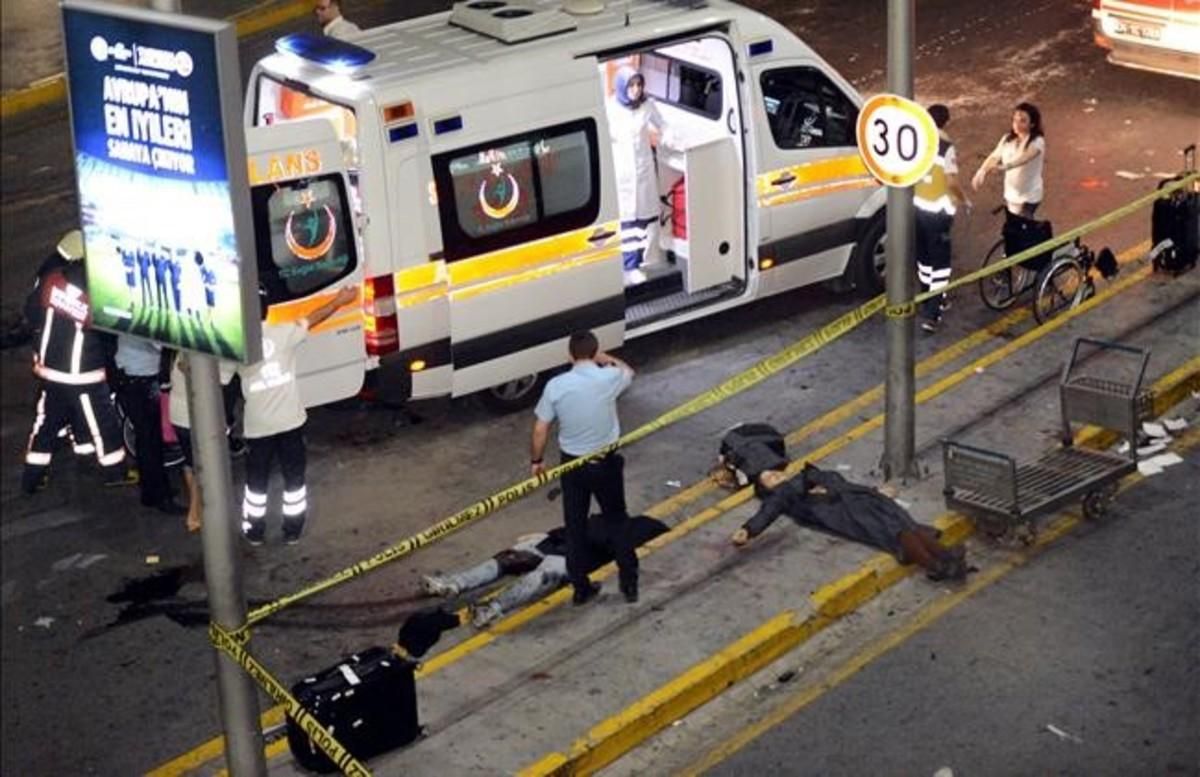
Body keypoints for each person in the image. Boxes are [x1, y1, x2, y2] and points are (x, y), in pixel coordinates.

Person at [716, 424, 968, 582]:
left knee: (903, 522)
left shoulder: (808, 475)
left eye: (774, 473)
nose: (776, 477)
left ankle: (945, 556)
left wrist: (873, 490)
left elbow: (842, 483)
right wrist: (749, 530)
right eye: (769, 480)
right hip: (846, 512)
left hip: (860, 499)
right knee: (894, 531)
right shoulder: (784, 494)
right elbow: (768, 511)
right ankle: (936, 564)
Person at [238, 285, 358, 545]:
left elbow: (217, 377)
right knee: (294, 479)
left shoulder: (237, 346)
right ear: (266, 310)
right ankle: (293, 530)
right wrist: (340, 299)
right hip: (290, 422)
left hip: (258, 427)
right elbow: (315, 317)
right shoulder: (283, 333)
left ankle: (254, 531)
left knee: (256, 483)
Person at [530, 330, 639, 604]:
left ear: (569, 354)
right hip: (607, 463)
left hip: (572, 466)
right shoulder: (609, 377)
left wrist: (537, 461)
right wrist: (604, 358)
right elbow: (629, 371)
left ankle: (580, 588)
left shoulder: (555, 386)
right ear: (594, 351)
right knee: (617, 521)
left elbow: (541, 429)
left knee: (575, 526)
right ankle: (629, 584)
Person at [21, 230, 133, 494]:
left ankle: (32, 477)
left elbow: (32, 312)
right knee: (102, 421)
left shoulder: (51, 281)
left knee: (47, 422)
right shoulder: (93, 292)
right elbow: (107, 327)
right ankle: (115, 471)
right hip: (82, 373)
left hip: (50, 370)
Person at [423, 514, 669, 628]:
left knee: (526, 570)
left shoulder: (619, 527)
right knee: (511, 561)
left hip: (569, 554)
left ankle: (484, 602)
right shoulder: (621, 528)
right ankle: (464, 590)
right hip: (561, 545)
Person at [607, 66, 669, 284]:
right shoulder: (610, 108)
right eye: (631, 85)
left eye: (638, 84)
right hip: (622, 173)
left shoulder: (647, 106)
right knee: (626, 224)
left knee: (643, 220)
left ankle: (639, 262)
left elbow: (665, 126)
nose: (635, 89)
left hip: (643, 172)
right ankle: (628, 265)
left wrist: (667, 140)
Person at [913, 104, 970, 334]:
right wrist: (964, 200)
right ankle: (932, 313)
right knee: (941, 265)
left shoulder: (916, 142)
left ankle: (926, 297)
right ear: (946, 122)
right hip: (939, 212)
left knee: (924, 258)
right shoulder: (946, 148)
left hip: (918, 208)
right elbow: (952, 182)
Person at [168, 351, 238, 532]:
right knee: (204, 467)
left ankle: (196, 509)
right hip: (198, 418)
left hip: (176, 414)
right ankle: (194, 514)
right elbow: (221, 382)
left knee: (190, 463)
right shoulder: (224, 357)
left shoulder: (183, 348)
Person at [114, 334, 184, 514]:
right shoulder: (144, 318)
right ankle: (161, 496)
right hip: (141, 378)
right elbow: (159, 344)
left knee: (145, 440)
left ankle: (150, 492)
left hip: (130, 376)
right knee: (151, 442)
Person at [971, 102, 1046, 221]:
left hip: (1030, 195)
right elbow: (994, 156)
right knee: (1014, 224)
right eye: (1015, 120)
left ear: (1032, 124)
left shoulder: (1037, 141)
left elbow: (1024, 159)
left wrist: (1004, 167)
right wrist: (982, 171)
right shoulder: (1007, 139)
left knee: (1023, 226)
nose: (1016, 124)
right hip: (1012, 194)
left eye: (1022, 121)